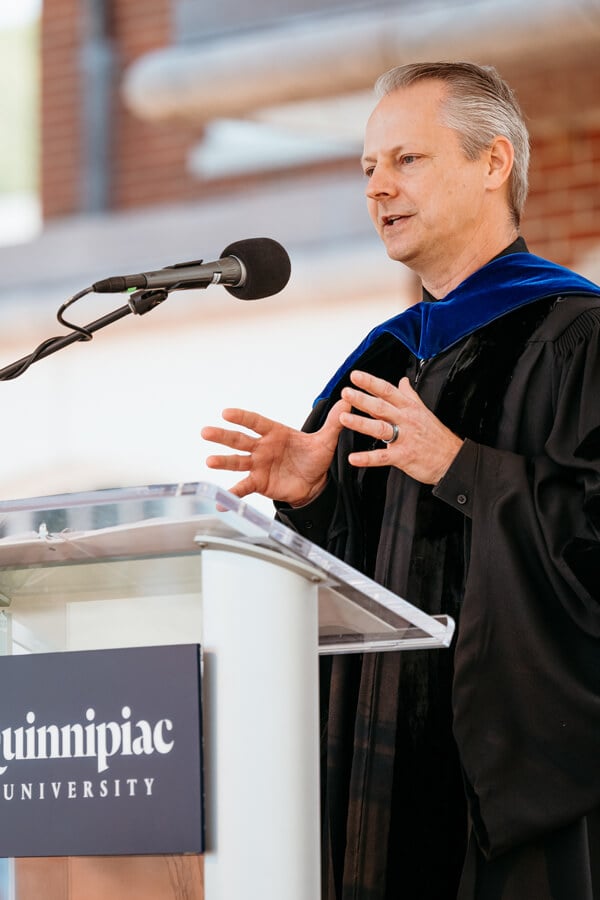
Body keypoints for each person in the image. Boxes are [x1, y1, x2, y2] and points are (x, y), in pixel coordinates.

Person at [201, 62, 600, 899]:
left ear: (494, 164)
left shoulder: (580, 338)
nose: (379, 188)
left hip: (506, 798)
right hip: (374, 789)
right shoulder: (383, 358)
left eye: (406, 161)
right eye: (367, 170)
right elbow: (356, 588)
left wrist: (463, 469)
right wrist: (311, 502)